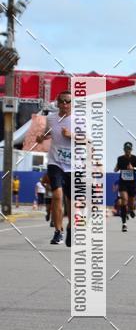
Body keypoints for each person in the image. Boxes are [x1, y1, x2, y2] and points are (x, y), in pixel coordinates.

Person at [36, 90, 73, 246]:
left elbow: (88, 140)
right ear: (57, 103)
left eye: (67, 101)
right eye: (62, 101)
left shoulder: (80, 120)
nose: (64, 104)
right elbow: (48, 134)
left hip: (74, 165)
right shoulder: (51, 118)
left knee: (71, 201)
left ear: (72, 104)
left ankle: (71, 228)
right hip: (55, 162)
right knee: (57, 196)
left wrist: (72, 136)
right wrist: (42, 137)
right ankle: (58, 231)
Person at [113, 142, 136, 232]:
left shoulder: (135, 159)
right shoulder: (120, 158)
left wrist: (134, 169)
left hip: (132, 183)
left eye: (129, 149)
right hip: (123, 183)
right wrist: (116, 169)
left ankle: (131, 209)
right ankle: (124, 224)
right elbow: (117, 167)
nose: (128, 150)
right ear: (124, 149)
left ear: (131, 149)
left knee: (131, 203)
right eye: (126, 149)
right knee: (124, 200)